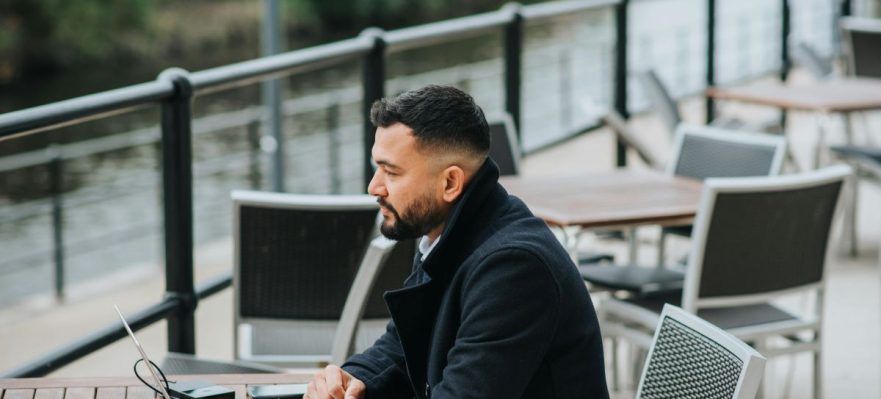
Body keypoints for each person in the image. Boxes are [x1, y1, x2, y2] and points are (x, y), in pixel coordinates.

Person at [304, 85, 609, 399]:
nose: (374, 187)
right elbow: (401, 345)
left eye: (391, 172)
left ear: (450, 182)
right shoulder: (446, 233)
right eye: (376, 168)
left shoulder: (514, 268)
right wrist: (351, 379)